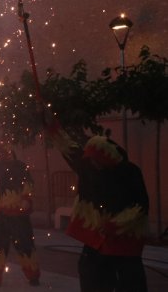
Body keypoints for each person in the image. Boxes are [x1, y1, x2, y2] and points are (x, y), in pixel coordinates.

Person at [46, 118, 149, 291]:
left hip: (124, 242)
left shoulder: (130, 173)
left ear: (106, 159)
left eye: (96, 161)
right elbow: (67, 145)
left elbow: (140, 206)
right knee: (91, 276)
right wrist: (48, 121)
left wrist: (115, 225)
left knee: (130, 283)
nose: (91, 163)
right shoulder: (90, 165)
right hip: (97, 241)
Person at [0, 141, 41, 287]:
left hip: (17, 214)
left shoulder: (20, 167)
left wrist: (26, 199)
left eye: (0, 151)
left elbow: (28, 184)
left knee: (24, 245)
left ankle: (33, 274)